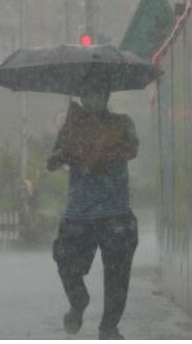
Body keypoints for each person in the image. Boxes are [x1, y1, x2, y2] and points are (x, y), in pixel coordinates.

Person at [46, 83, 139, 340]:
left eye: (98, 92)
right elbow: (51, 162)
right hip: (79, 215)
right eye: (88, 92)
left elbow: (133, 149)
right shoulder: (71, 127)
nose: (93, 97)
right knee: (65, 262)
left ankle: (109, 327)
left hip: (115, 214)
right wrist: (69, 151)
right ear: (82, 96)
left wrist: (104, 151)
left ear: (107, 95)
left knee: (117, 277)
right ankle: (78, 301)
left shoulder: (122, 123)